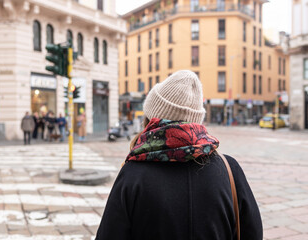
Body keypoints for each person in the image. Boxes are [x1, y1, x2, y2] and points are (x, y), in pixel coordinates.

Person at [96, 70, 262, 240]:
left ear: (151, 119)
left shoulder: (133, 174)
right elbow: (253, 233)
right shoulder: (229, 170)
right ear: (196, 119)